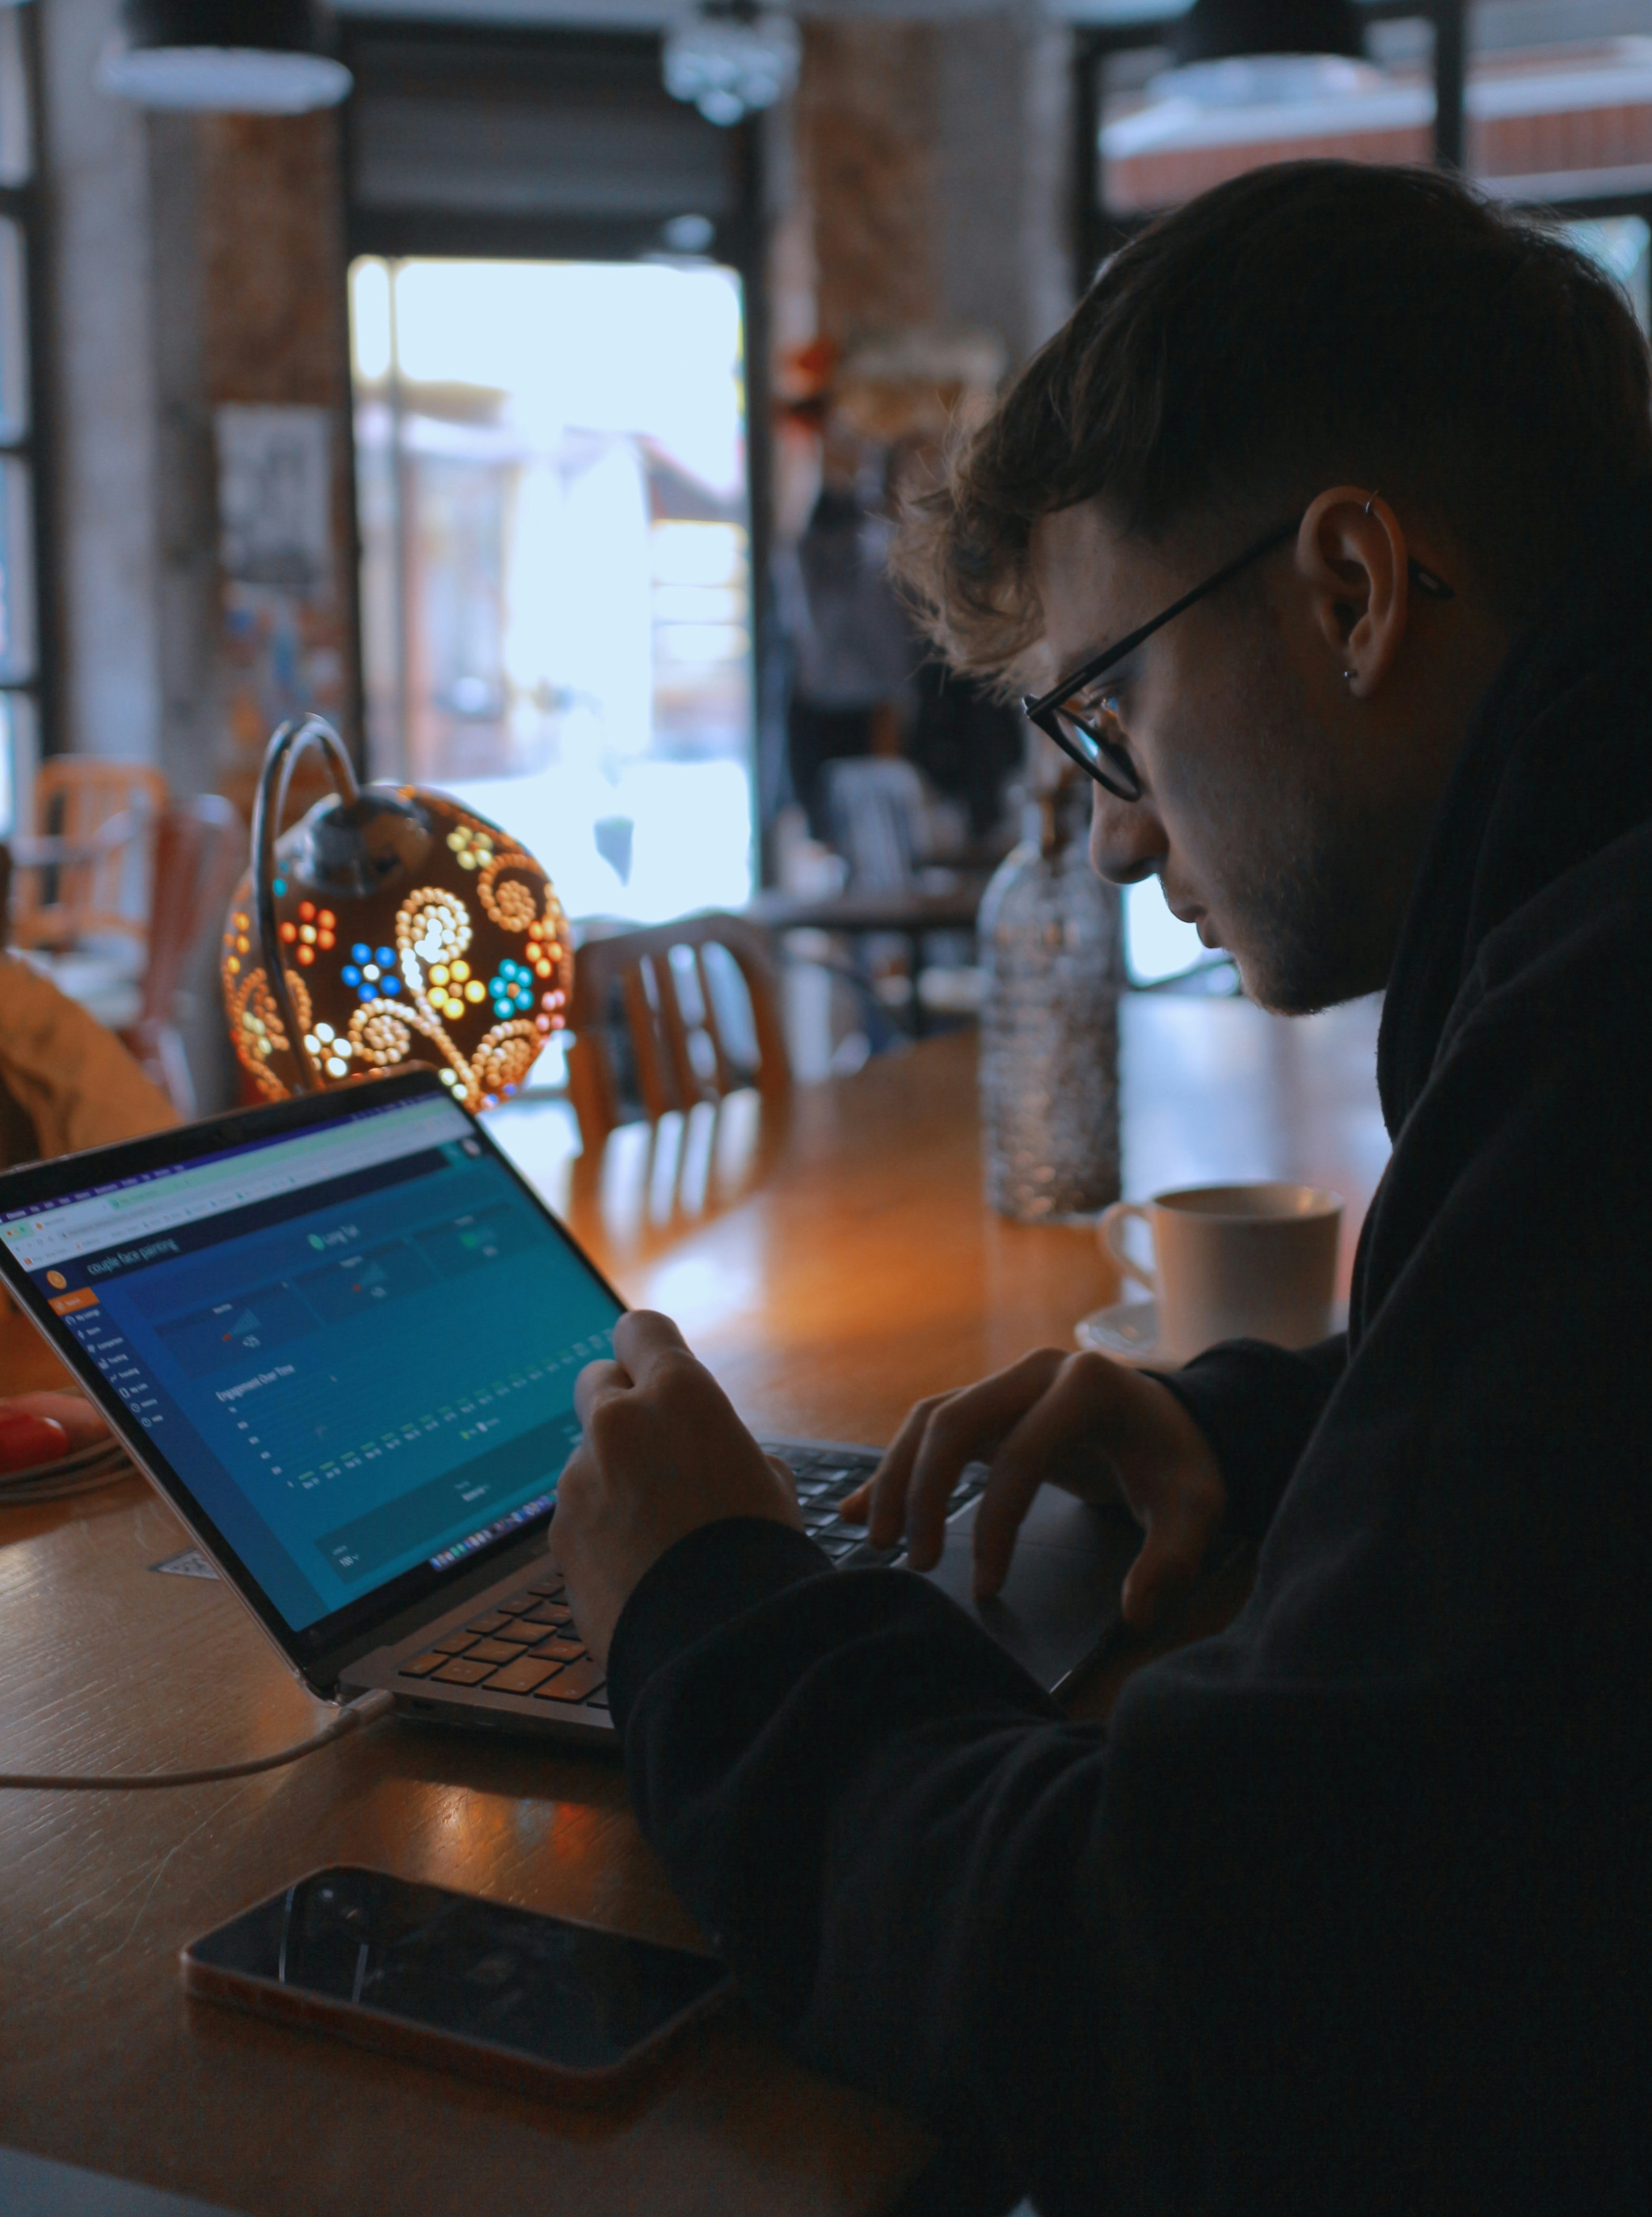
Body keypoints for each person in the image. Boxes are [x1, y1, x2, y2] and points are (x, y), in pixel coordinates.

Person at [550, 162, 1652, 2215]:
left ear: (1353, 590)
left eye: (1110, 711)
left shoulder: (1605, 1048)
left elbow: (1200, 2002)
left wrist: (709, 1610)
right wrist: (1266, 1431)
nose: (1124, 841)